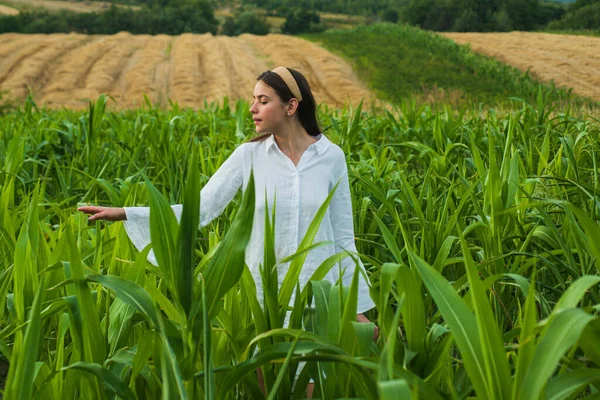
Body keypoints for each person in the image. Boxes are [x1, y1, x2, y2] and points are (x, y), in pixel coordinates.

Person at [78, 66, 376, 395]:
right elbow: (201, 210)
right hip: (263, 298)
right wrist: (125, 213)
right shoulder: (249, 156)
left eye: (263, 100)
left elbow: (343, 238)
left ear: (291, 106)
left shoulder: (331, 157)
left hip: (314, 296)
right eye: (253, 100)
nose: (252, 108)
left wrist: (357, 308)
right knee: (269, 390)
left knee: (306, 390)